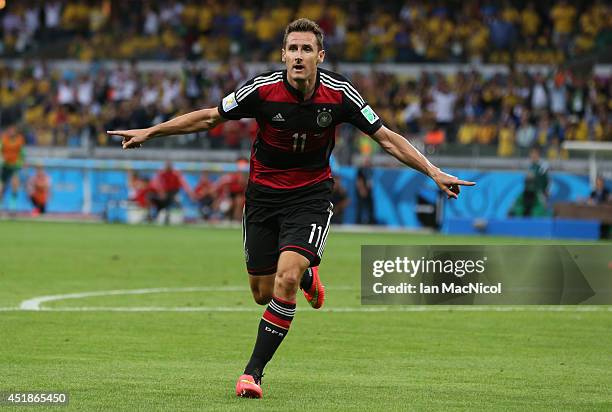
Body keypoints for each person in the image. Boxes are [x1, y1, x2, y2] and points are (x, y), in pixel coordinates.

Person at [107, 18, 475, 399]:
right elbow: (210, 117)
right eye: (293, 49)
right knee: (262, 292)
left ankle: (252, 373)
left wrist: (432, 171)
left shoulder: (341, 94)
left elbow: (385, 138)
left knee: (285, 278)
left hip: (310, 196)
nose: (299, 57)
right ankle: (306, 277)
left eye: (306, 50)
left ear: (320, 56)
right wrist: (152, 131)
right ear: (283, 54)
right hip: (263, 197)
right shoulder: (262, 90)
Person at [0, 126, 26, 210]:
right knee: (1, 185)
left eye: (12, 130)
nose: (11, 132)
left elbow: (22, 152)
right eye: (9, 130)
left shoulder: (20, 139)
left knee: (15, 182)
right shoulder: (3, 139)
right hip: (5, 165)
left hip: (15, 165)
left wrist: (22, 162)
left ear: (15, 131)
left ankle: (13, 203)